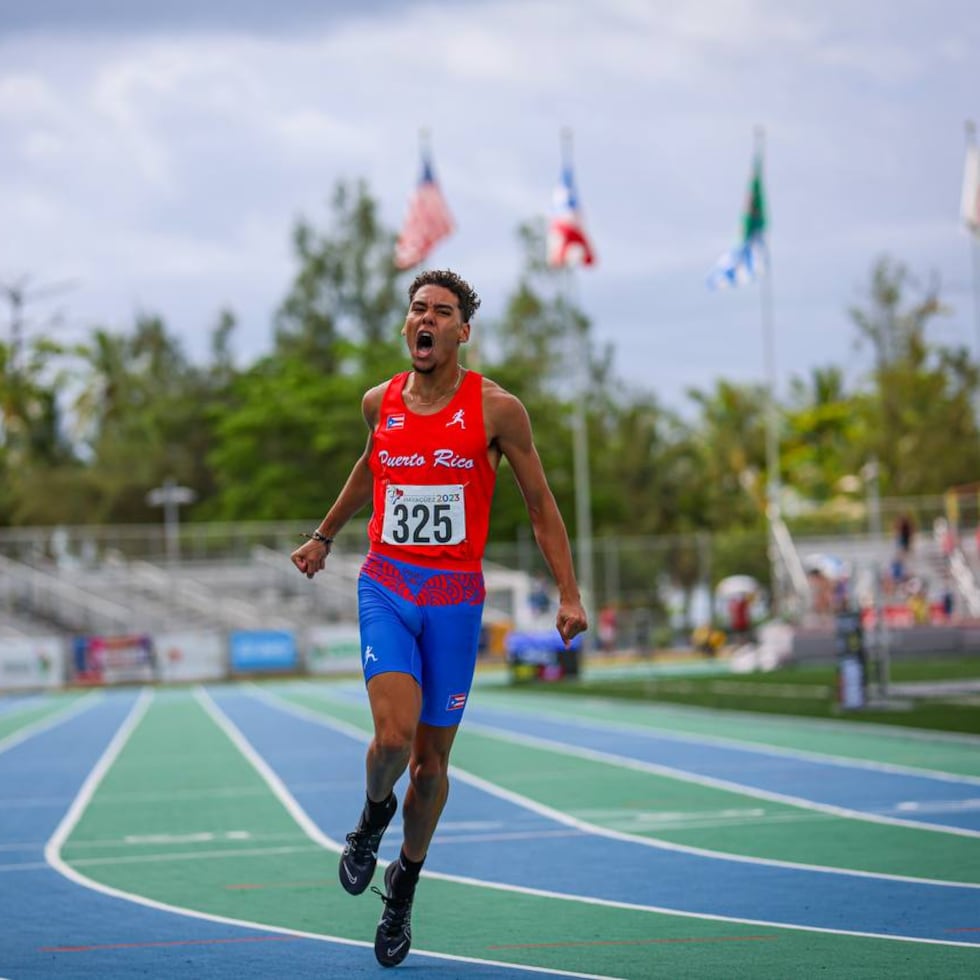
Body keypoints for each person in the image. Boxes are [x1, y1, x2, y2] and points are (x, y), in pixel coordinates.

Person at [290, 269, 588, 968]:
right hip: (388, 585)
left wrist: (568, 594)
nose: (426, 320)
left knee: (429, 769)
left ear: (461, 332)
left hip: (456, 600)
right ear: (406, 325)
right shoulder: (379, 402)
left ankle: (404, 888)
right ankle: (369, 820)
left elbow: (541, 505)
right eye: (417, 309)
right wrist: (324, 535)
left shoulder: (497, 410)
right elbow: (371, 468)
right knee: (391, 741)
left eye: (442, 312)